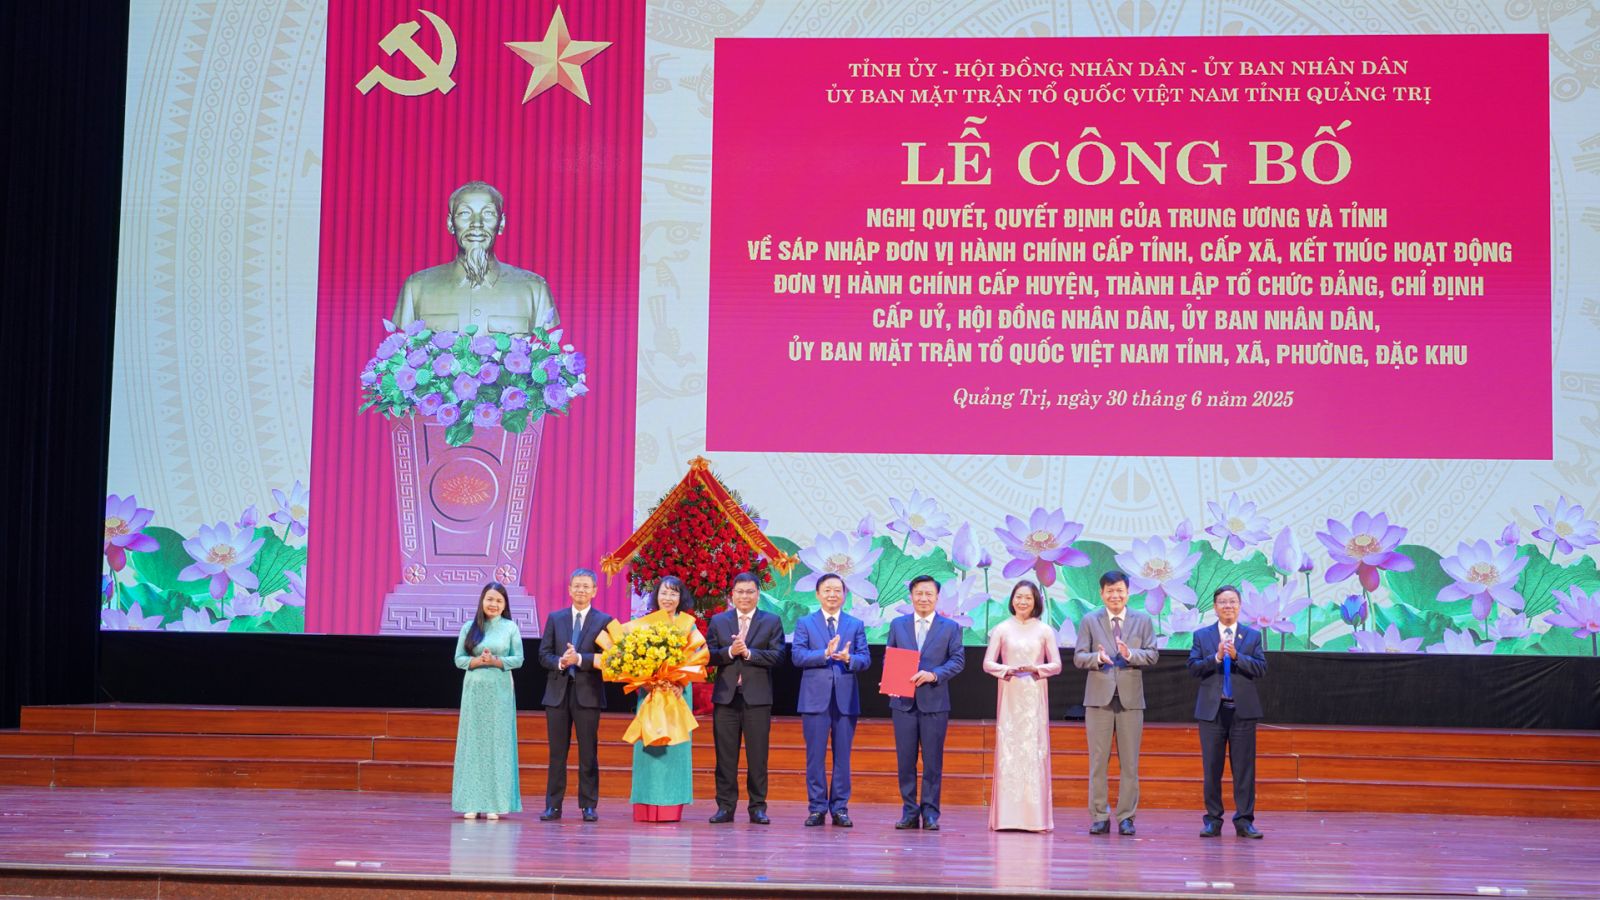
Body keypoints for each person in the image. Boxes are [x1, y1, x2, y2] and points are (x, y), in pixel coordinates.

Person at [392, 181, 558, 335]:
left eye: (488, 213)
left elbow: (546, 353)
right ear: (450, 223)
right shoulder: (417, 287)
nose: (476, 223)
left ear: (501, 223)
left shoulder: (535, 289)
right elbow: (403, 350)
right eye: (464, 213)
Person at [608, 575, 705, 823]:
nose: (668, 598)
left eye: (674, 593)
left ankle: (672, 807)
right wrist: (645, 678)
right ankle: (645, 805)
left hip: (677, 694)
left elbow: (698, 659)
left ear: (681, 598)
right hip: (651, 692)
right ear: (656, 596)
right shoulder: (644, 625)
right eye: (664, 592)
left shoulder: (688, 625)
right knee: (648, 749)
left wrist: (680, 682)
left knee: (675, 749)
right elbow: (629, 657)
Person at [1073, 570, 1158, 835]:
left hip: (1131, 699)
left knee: (1130, 763)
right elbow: (1078, 657)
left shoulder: (1143, 620)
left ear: (1128, 592)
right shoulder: (1090, 620)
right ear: (1101, 594)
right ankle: (1099, 815)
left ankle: (1126, 817)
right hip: (1099, 699)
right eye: (1109, 591)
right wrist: (1097, 659)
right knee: (1098, 761)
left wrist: (1130, 654)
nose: (1115, 595)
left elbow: (1152, 654)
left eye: (1120, 590)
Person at [886, 574, 965, 831]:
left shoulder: (950, 627)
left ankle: (930, 813)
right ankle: (909, 812)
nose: (923, 598)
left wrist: (934, 675)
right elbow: (890, 656)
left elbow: (957, 661)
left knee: (932, 762)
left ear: (937, 597)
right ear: (911, 596)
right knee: (905, 761)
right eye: (918, 593)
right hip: (903, 703)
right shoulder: (898, 624)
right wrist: (889, 678)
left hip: (935, 703)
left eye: (929, 594)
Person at [791, 573, 871, 827]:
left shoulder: (855, 624)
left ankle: (840, 808)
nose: (832, 594)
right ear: (817, 594)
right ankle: (817, 808)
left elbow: (865, 659)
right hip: (814, 700)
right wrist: (823, 653)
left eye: (837, 590)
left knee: (842, 757)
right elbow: (797, 656)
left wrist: (849, 659)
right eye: (827, 590)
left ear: (845, 595)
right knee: (815, 757)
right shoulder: (805, 623)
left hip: (845, 700)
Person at [1188, 584, 1267, 839]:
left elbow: (1261, 668)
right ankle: (1213, 820)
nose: (1228, 606)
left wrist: (1237, 656)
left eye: (1232, 601)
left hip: (1242, 711)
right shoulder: (1202, 636)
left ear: (1240, 606)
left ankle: (1244, 821)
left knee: (1244, 769)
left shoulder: (1252, 636)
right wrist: (1216, 657)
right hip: (1212, 711)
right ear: (1215, 607)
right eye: (1223, 602)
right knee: (1212, 768)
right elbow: (1193, 667)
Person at [982, 580, 1062, 832]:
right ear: (1012, 599)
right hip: (1010, 692)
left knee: (1034, 750)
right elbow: (987, 663)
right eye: (1018, 597)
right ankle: (1006, 817)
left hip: (1034, 694)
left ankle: (1035, 818)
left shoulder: (1045, 630)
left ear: (1036, 600)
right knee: (1009, 749)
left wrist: (1036, 668)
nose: (1023, 602)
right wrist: (1007, 669)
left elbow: (1057, 665)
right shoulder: (1002, 629)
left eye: (1028, 597)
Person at [707, 572, 786, 824]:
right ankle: (725, 807)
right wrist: (730, 651)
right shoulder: (719, 621)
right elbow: (708, 656)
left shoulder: (771, 621)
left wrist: (750, 653)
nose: (744, 596)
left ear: (758, 594)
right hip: (726, 699)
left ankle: (758, 807)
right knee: (725, 757)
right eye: (740, 592)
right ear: (732, 594)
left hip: (757, 699)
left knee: (758, 757)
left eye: (750, 592)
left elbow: (779, 656)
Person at [536, 567, 614, 822]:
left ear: (595, 591)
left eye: (586, 586)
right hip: (557, 694)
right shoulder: (555, 618)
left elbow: (611, 658)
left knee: (588, 752)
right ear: (569, 589)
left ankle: (588, 805)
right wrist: (561, 661)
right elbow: (543, 654)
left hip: (588, 694)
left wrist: (580, 659)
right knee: (557, 753)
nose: (581, 590)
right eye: (577, 586)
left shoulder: (604, 620)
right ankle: (553, 805)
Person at [451, 581, 525, 819]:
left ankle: (495, 803)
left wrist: (495, 661)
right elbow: (459, 659)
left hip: (500, 691)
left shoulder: (510, 627)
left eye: (499, 601)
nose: (494, 604)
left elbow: (518, 659)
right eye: (490, 599)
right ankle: (471, 801)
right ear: (482, 601)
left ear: (505, 605)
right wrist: (478, 661)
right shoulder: (469, 627)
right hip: (474, 691)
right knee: (473, 742)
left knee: (497, 744)